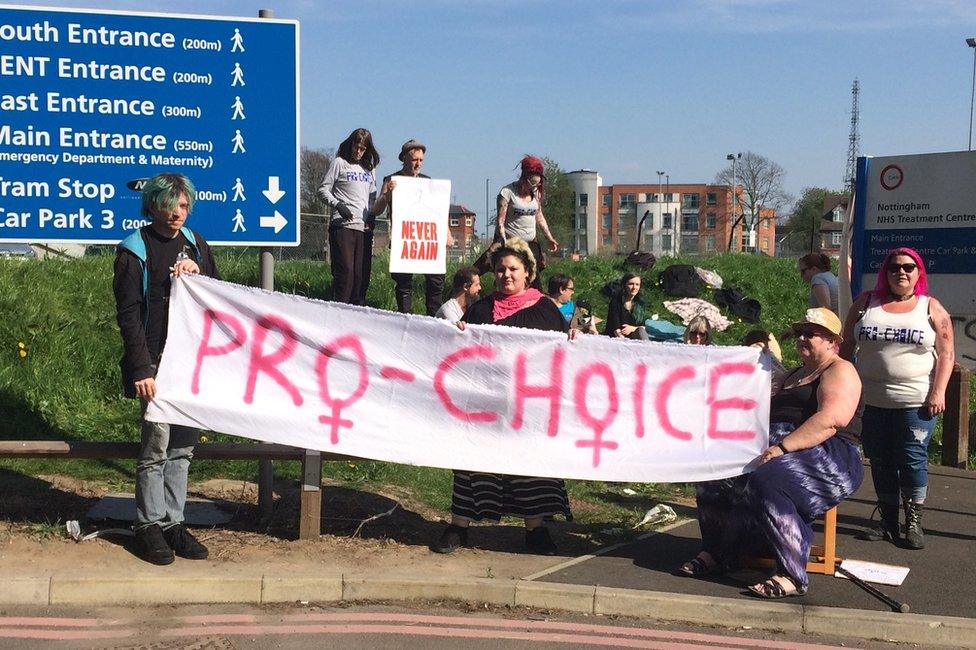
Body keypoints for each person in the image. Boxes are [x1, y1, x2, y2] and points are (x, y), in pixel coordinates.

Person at [679, 308, 864, 599]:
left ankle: (792, 574)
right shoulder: (792, 374)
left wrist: (781, 447)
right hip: (775, 446)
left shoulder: (840, 370)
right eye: (799, 332)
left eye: (811, 333)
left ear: (831, 341)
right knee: (715, 472)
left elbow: (832, 420)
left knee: (770, 479)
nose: (802, 337)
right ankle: (719, 553)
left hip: (828, 454)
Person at [433, 238, 571, 556]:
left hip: (529, 409)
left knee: (529, 465)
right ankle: (459, 527)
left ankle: (535, 532)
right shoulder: (481, 309)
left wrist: (573, 339)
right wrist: (459, 335)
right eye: (500, 269)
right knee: (472, 461)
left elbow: (564, 353)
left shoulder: (546, 310)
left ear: (528, 273)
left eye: (513, 269)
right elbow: (464, 353)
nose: (506, 275)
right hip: (485, 406)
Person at [114, 173, 220, 565]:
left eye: (185, 206)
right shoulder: (133, 251)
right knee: (155, 448)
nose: (178, 213)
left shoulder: (195, 244)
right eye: (171, 205)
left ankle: (175, 523)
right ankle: (148, 526)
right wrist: (142, 369)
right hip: (155, 364)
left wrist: (200, 275)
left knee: (183, 449)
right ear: (154, 205)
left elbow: (219, 294)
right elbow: (128, 316)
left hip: (190, 362)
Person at [840, 247, 954, 550]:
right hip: (871, 400)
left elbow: (946, 354)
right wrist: (844, 385)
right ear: (885, 273)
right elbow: (846, 345)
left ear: (918, 273)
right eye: (894, 268)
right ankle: (888, 520)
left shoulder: (931, 308)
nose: (901, 272)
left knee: (913, 459)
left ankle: (913, 520)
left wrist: (938, 391)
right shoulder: (865, 304)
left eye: (908, 267)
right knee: (880, 460)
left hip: (915, 402)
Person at [373, 139, 455, 315]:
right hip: (405, 240)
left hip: (427, 239)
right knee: (403, 283)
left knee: (435, 280)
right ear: (404, 159)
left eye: (421, 160)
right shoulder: (391, 180)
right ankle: (406, 318)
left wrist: (447, 233)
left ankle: (434, 319)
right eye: (414, 159)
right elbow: (376, 209)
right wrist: (387, 194)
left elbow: (439, 212)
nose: (418, 163)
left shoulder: (428, 182)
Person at [317, 128, 379, 305]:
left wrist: (372, 214)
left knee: (360, 277)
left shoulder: (369, 169)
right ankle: (339, 311)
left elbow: (372, 195)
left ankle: (357, 314)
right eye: (356, 147)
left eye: (362, 149)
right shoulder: (339, 163)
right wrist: (338, 205)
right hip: (342, 225)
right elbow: (322, 190)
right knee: (346, 273)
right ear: (351, 144)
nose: (358, 152)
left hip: (362, 227)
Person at [492, 155, 559, 290]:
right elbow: (500, 220)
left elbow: (539, 216)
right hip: (512, 243)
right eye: (532, 183)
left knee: (533, 280)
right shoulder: (507, 192)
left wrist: (549, 237)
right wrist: (504, 242)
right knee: (513, 275)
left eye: (537, 184)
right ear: (524, 178)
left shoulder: (536, 194)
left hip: (530, 243)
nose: (535, 187)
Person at [603, 273, 649, 340]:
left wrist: (632, 328)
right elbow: (616, 330)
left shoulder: (640, 303)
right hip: (616, 338)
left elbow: (643, 327)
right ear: (624, 285)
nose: (634, 288)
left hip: (633, 337)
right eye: (631, 284)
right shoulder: (616, 302)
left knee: (641, 331)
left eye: (637, 285)